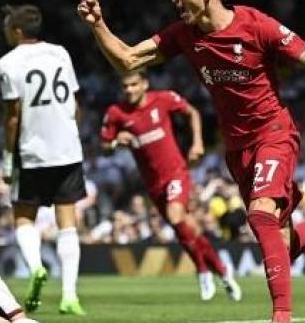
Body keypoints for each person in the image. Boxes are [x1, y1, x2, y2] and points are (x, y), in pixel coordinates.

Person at [75, 0, 305, 323]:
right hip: (237, 150)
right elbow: (128, 60)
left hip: (274, 134)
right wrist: (97, 24)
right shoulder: (184, 35)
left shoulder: (255, 24)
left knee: (259, 216)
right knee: (279, 244)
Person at [100, 70, 242, 301]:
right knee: (185, 228)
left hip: (176, 173)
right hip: (153, 184)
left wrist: (197, 143)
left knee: (176, 217)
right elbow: (104, 146)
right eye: (125, 86)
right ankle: (223, 270)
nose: (130, 90)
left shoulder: (163, 99)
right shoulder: (116, 113)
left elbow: (192, 112)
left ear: (144, 84)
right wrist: (116, 142)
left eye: (134, 84)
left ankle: (203, 271)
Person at [0, 4, 87, 315]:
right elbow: (75, 104)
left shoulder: (8, 62)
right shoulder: (61, 53)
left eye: (8, 27)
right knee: (67, 223)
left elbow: (12, 116)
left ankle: (36, 267)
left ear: (18, 31)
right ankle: (70, 295)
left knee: (23, 217)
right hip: (68, 149)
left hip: (32, 150)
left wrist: (8, 159)